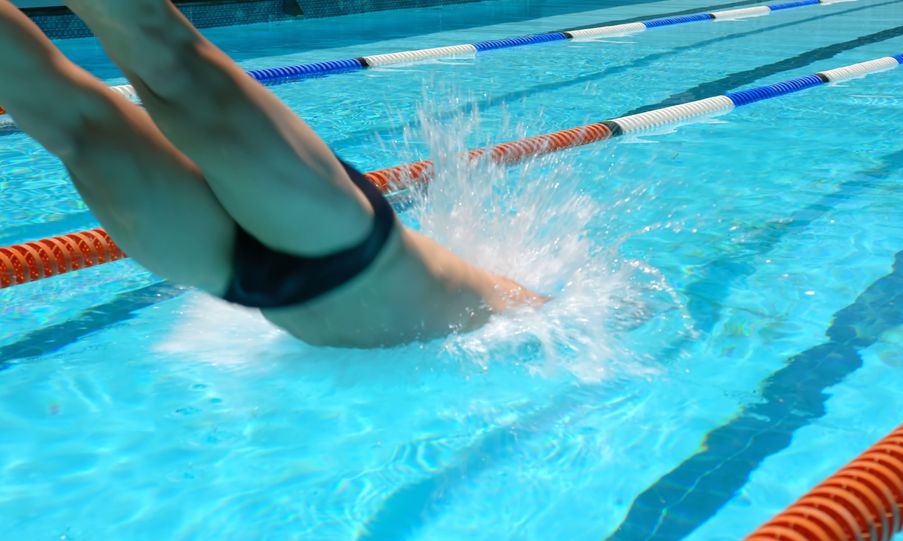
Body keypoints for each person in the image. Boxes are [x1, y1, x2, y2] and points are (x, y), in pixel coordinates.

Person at [0, 1, 545, 348]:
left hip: (234, 276)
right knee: (170, 64)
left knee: (73, 125)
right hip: (342, 241)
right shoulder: (537, 315)